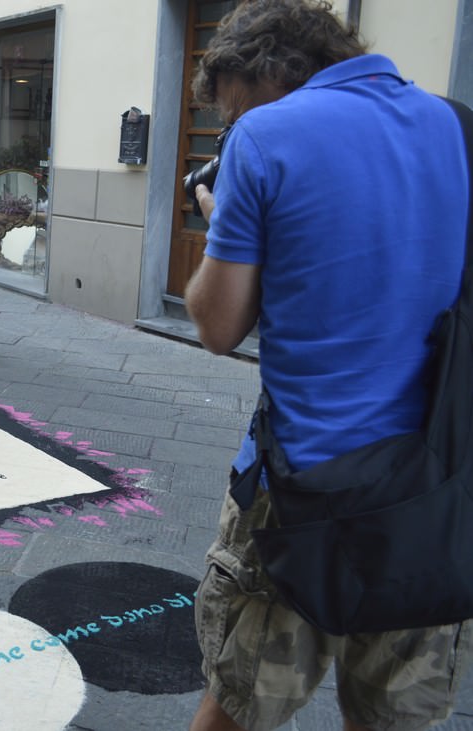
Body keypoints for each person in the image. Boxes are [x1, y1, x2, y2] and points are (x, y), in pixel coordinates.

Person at [183, 2, 470, 730]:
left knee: (236, 706)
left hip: (299, 492)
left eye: (233, 110)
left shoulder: (266, 138)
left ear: (269, 71)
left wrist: (223, 222)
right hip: (433, 494)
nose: (231, 128)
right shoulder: (458, 126)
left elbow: (219, 324)